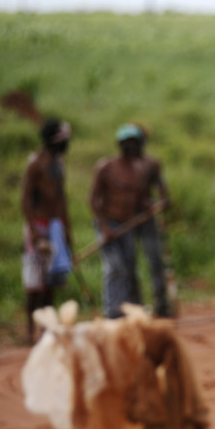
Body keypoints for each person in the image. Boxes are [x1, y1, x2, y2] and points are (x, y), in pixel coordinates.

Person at [20, 118, 74, 343]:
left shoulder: (58, 162)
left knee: (51, 282)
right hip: (39, 224)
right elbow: (25, 199)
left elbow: (61, 199)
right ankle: (30, 331)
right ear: (55, 140)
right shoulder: (36, 163)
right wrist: (33, 230)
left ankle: (47, 330)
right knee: (35, 284)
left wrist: (66, 229)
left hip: (55, 226)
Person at [89, 123, 148, 318]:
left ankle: (131, 308)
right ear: (120, 144)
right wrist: (104, 227)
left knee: (130, 266)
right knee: (114, 267)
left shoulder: (138, 170)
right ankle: (112, 312)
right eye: (127, 142)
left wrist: (149, 207)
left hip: (127, 227)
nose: (131, 147)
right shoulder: (106, 167)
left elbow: (139, 200)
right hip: (108, 225)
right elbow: (93, 199)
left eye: (134, 142)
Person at [133, 125, 173, 318]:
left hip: (147, 219)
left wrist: (161, 203)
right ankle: (135, 307)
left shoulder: (151, 163)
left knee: (156, 261)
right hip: (127, 221)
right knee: (128, 264)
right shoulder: (118, 165)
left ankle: (162, 305)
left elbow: (162, 188)